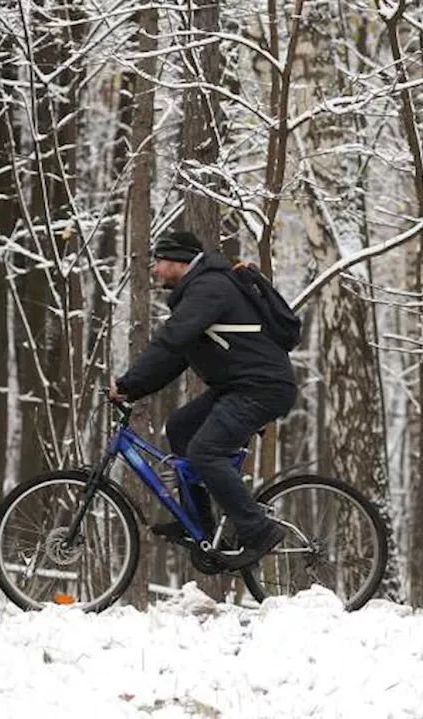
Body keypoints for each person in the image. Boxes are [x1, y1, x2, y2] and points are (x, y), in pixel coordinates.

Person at [109, 229, 296, 570]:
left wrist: (127, 382)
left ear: (179, 261)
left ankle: (259, 530)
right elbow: (175, 357)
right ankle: (199, 524)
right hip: (240, 386)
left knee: (205, 451)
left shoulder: (210, 288)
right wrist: (132, 389)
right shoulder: (200, 291)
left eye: (159, 261)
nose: (154, 269)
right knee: (180, 427)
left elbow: (168, 342)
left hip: (261, 387)